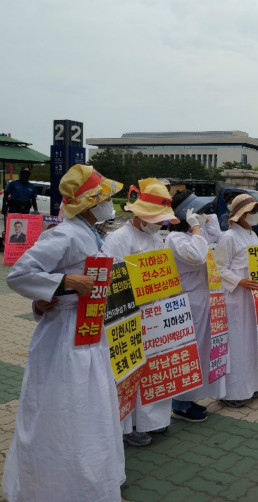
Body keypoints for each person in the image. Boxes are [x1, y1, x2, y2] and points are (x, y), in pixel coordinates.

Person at [3, 164, 125, 502]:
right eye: (105, 199)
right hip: (65, 337)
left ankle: (91, 479)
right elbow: (21, 273)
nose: (109, 205)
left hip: (89, 330)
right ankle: (54, 485)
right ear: (88, 203)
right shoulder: (66, 233)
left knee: (89, 407)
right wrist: (63, 283)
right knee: (62, 406)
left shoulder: (93, 233)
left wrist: (47, 296)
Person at [102, 178, 180, 447]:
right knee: (130, 371)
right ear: (141, 214)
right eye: (156, 218)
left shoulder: (154, 235)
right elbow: (114, 281)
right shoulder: (120, 238)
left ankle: (153, 421)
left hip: (156, 316)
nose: (160, 224)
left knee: (155, 367)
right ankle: (127, 427)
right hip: (130, 317)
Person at [167, 190, 223, 421]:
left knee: (200, 352)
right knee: (188, 352)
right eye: (198, 212)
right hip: (187, 301)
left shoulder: (192, 235)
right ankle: (179, 403)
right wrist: (197, 228)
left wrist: (207, 221)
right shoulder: (176, 239)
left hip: (201, 300)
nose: (202, 214)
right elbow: (197, 257)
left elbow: (217, 237)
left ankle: (189, 398)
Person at [214, 194, 258, 406]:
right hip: (237, 299)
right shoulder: (229, 237)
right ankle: (234, 392)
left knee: (253, 343)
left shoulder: (252, 235)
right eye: (253, 212)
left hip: (254, 299)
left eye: (257, 211)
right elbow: (219, 268)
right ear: (242, 214)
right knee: (238, 345)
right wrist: (239, 281)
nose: (257, 215)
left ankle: (253, 385)